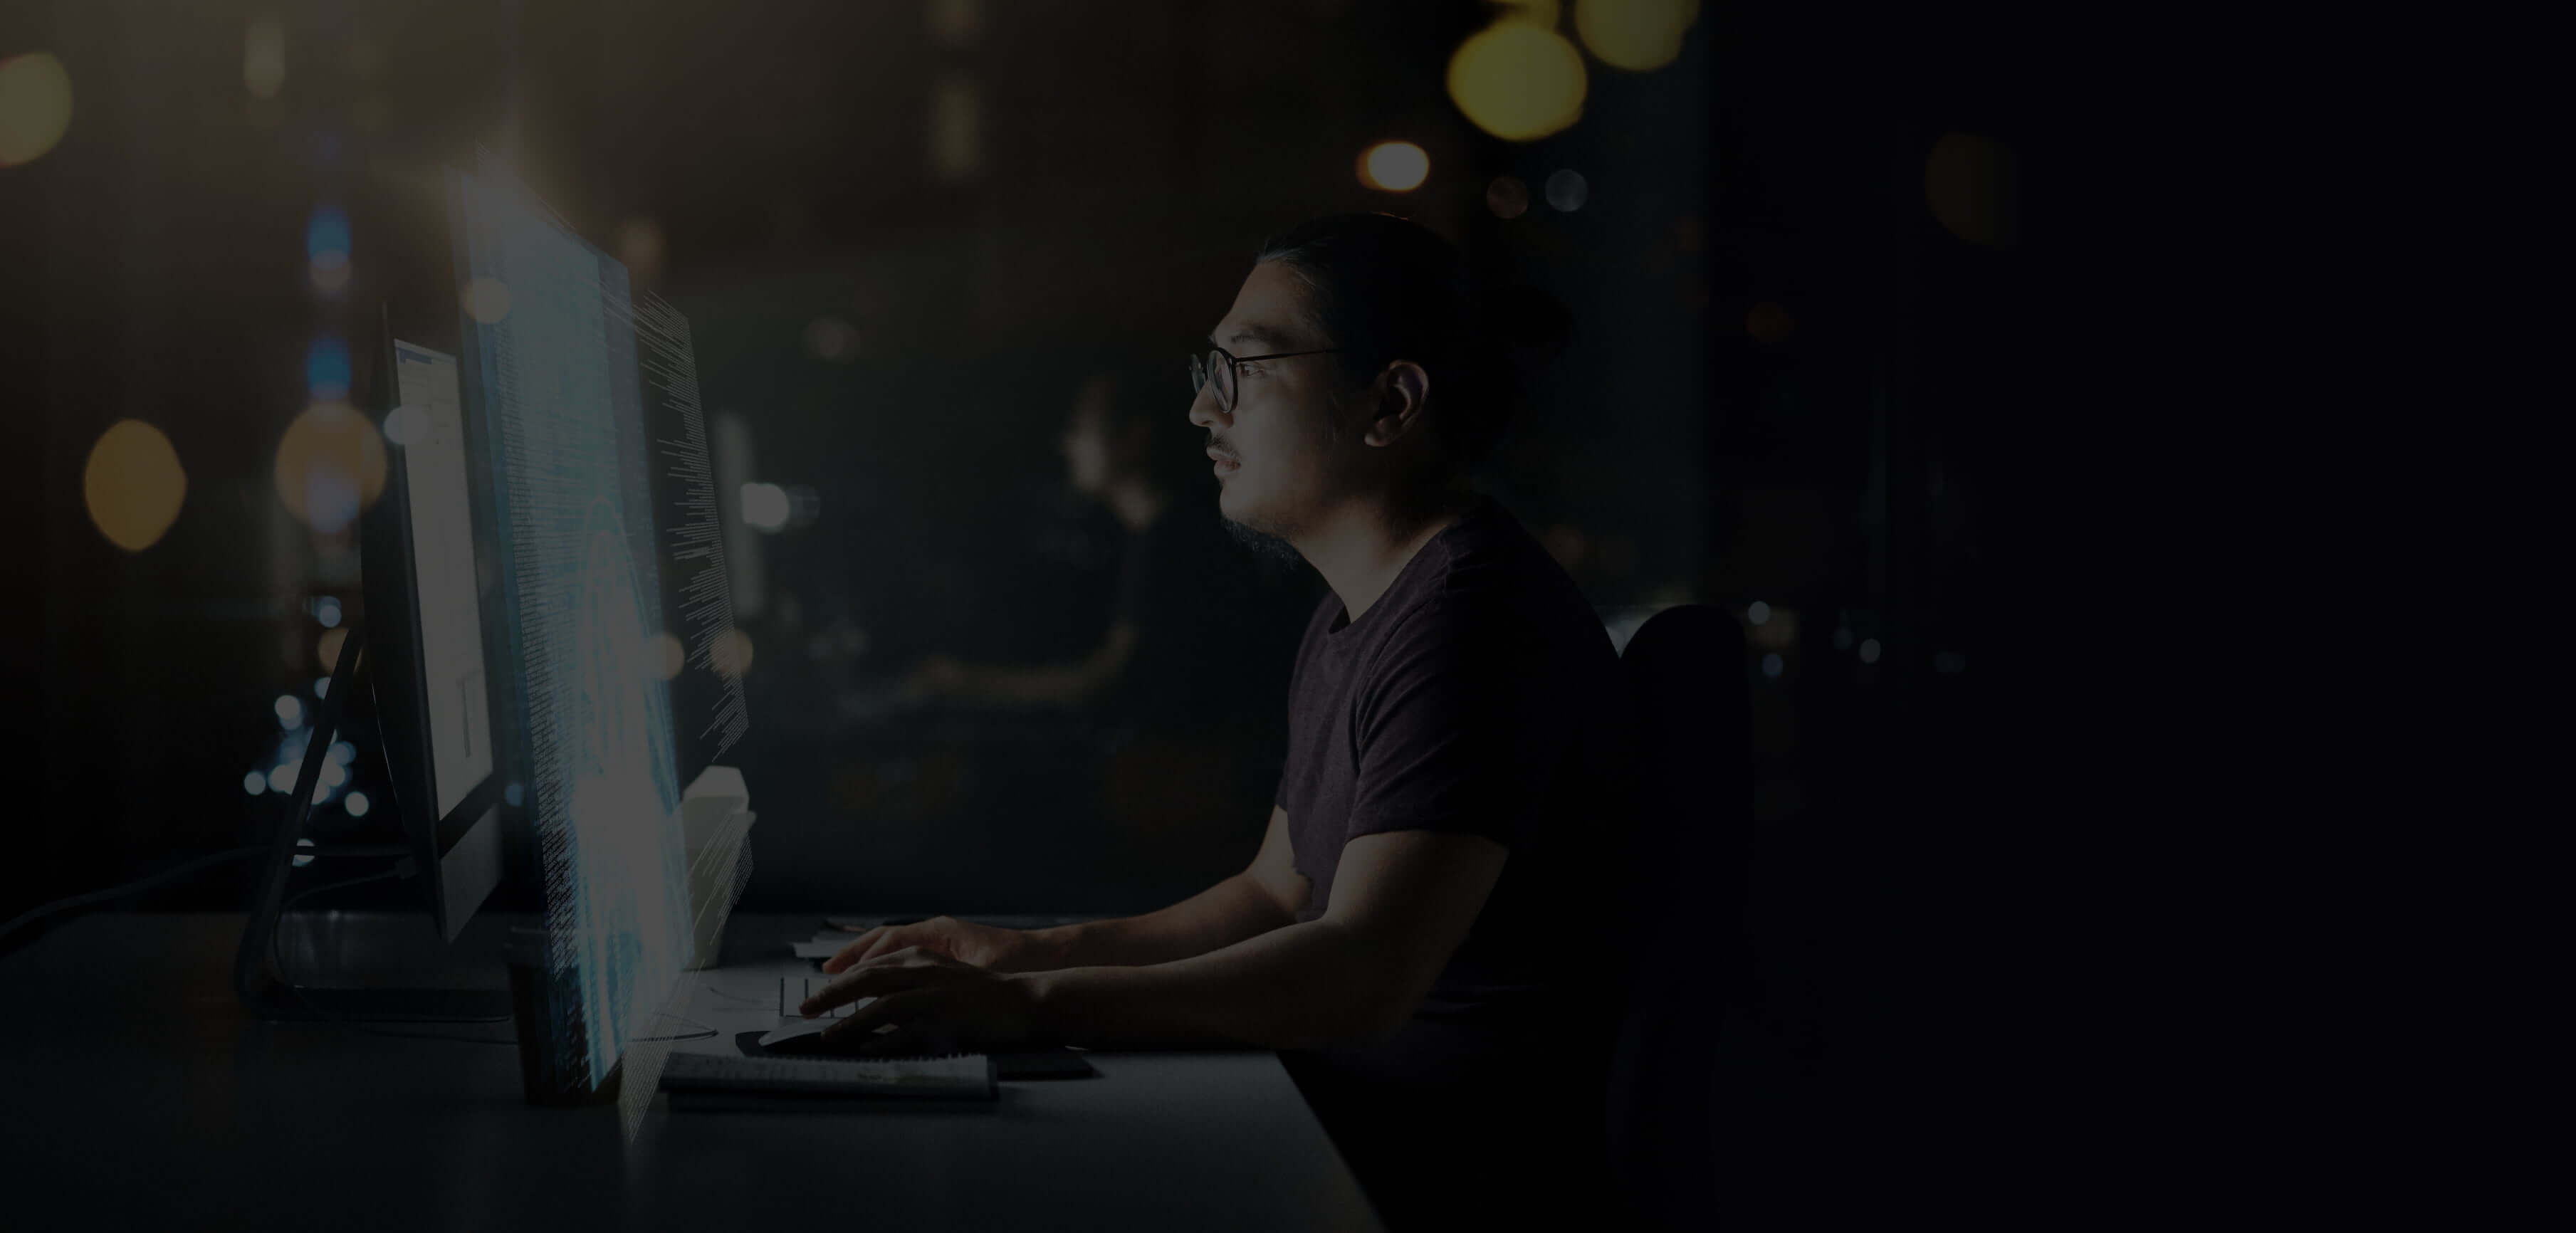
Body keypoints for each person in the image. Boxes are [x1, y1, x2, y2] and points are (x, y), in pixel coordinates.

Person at [803, 214, 1629, 1229]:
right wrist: (1022, 956)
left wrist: (1029, 1012)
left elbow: (1362, 972)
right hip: (1342, 1119)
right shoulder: (1355, 609)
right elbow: (1275, 896)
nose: (1200, 407)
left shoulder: (1470, 623)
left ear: (1390, 402)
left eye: (1241, 366)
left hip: (1433, 1174)